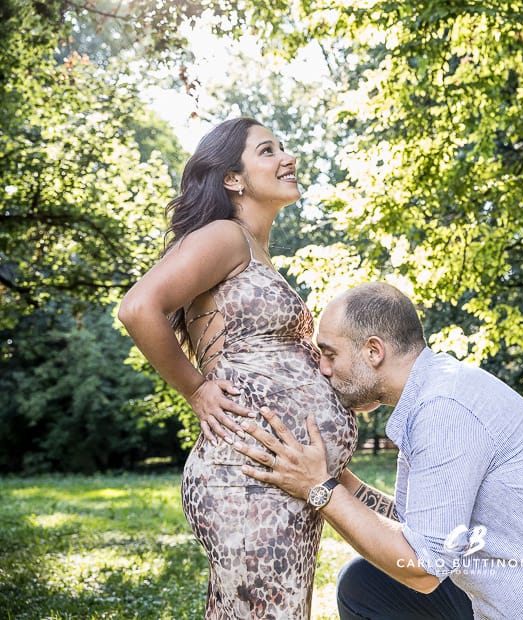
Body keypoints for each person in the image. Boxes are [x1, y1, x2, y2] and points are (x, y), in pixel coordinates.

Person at [234, 282, 523, 619]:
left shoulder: (443, 409)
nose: (323, 369)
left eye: (329, 354)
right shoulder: (429, 396)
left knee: (389, 577)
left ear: (373, 351)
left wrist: (320, 490)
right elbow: (423, 527)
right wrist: (342, 481)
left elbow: (422, 567)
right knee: (365, 585)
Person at [118, 117, 357, 618]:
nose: (286, 158)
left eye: (283, 147)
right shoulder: (225, 236)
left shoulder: (258, 252)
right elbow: (138, 307)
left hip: (274, 477)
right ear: (233, 178)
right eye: (268, 151)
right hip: (243, 479)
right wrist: (196, 390)